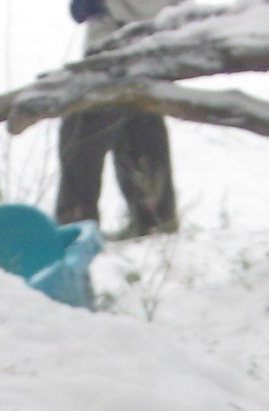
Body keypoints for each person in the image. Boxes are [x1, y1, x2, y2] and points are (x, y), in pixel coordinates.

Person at [55, 0, 176, 238]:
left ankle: (76, 228)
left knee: (85, 126)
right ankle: (155, 223)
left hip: (127, 42)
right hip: (142, 41)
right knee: (140, 123)